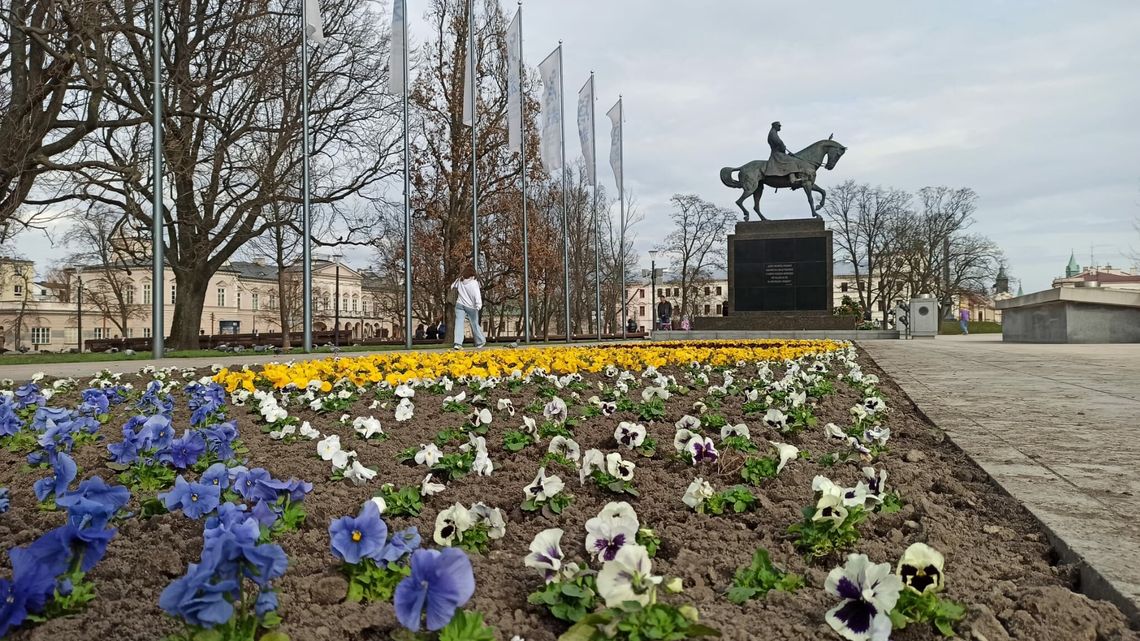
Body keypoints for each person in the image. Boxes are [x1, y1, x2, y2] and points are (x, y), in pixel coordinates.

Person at [450, 265, 486, 349]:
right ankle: (480, 341)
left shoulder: (459, 280)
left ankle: (457, 343)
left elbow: (452, 287)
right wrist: (478, 305)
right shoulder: (474, 282)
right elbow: (476, 295)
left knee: (459, 324)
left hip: (459, 304)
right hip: (471, 306)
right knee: (474, 324)